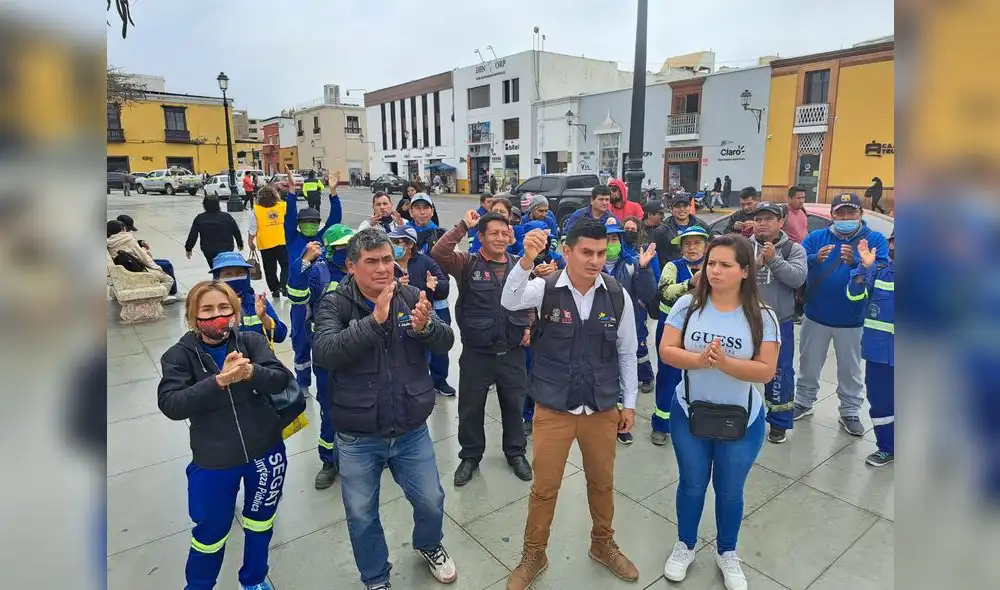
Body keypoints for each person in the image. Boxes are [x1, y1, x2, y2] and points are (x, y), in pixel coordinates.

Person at [311, 228, 457, 590]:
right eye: (371, 261)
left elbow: (446, 341)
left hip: (410, 429)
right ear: (350, 266)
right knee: (361, 515)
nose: (382, 268)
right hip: (358, 436)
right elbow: (326, 352)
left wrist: (425, 329)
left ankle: (428, 544)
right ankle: (376, 577)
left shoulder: (409, 295)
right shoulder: (335, 304)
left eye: (388, 259)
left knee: (431, 500)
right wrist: (374, 321)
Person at [500, 218, 640, 589]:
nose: (595, 260)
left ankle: (602, 543)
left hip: (601, 407)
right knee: (544, 487)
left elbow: (627, 352)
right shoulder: (544, 288)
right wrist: (526, 260)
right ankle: (534, 553)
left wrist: (630, 404)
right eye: (587, 252)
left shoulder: (615, 294)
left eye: (601, 252)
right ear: (567, 251)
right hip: (553, 407)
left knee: (602, 482)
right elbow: (509, 299)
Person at [658, 234, 779, 590]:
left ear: (745, 271)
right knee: (692, 484)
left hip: (742, 419)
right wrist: (698, 360)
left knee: (729, 491)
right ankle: (685, 545)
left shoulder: (762, 315)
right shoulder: (687, 306)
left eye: (725, 265)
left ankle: (728, 553)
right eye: (712, 263)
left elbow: (765, 370)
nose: (715, 271)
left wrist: (724, 363)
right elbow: (666, 350)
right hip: (689, 412)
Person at [157, 280, 294, 590]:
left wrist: (251, 373)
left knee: (261, 523)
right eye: (207, 310)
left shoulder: (251, 341)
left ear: (234, 311)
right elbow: (171, 403)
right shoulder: (179, 356)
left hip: (265, 452)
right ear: (193, 317)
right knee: (210, 533)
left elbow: (281, 379)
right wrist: (218, 381)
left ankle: (254, 580)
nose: (217, 316)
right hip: (214, 462)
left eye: (224, 308)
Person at [432, 210, 534, 485]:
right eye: (494, 233)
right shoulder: (467, 263)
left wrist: (528, 326)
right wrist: (463, 224)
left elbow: (529, 301)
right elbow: (439, 253)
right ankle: (470, 456)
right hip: (477, 353)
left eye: (505, 233)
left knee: (514, 405)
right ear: (481, 237)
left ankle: (516, 452)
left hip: (512, 351)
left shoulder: (520, 265)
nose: (501, 238)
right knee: (471, 407)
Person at [793, 192, 889, 436]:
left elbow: (883, 270)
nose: (846, 217)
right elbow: (798, 264)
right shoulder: (816, 237)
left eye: (851, 212)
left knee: (850, 369)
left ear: (860, 214)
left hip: (853, 319)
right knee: (809, 364)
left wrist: (856, 261)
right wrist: (815, 259)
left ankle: (849, 411)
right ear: (832, 215)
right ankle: (804, 401)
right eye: (840, 213)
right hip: (815, 315)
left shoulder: (874, 239)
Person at [289, 224, 356, 490]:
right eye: (343, 247)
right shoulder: (319, 272)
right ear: (330, 250)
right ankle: (329, 461)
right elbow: (296, 296)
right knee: (330, 406)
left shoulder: (357, 269)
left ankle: (367, 454)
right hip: (327, 349)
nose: (348, 251)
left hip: (357, 346)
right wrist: (302, 263)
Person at [748, 203, 807, 444]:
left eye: (768, 219)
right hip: (744, 319)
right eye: (758, 219)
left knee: (780, 373)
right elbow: (731, 274)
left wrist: (774, 260)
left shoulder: (794, 249)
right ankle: (739, 415)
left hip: (778, 322)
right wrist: (756, 264)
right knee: (736, 368)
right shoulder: (743, 246)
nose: (762, 223)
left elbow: (797, 278)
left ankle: (779, 423)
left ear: (781, 222)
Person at [282, 171, 343, 396]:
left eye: (313, 222)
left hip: (320, 301)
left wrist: (333, 193)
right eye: (305, 223)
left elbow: (335, 219)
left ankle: (324, 377)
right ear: (299, 225)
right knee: (299, 339)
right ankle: (303, 381)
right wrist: (291, 192)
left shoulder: (322, 238)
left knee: (320, 338)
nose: (309, 225)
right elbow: (288, 217)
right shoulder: (293, 238)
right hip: (299, 301)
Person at [600, 217, 657, 444]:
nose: (610, 243)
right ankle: (604, 418)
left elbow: (648, 294)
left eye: (614, 239)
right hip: (599, 331)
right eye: (606, 239)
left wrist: (644, 269)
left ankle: (622, 424)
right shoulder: (592, 265)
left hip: (628, 328)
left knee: (626, 373)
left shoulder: (633, 263)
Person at [650, 226, 710, 445]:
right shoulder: (672, 267)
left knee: (699, 376)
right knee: (668, 374)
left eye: (696, 243)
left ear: (706, 246)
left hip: (702, 328)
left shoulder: (713, 268)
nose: (691, 248)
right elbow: (665, 293)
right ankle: (661, 423)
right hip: (671, 328)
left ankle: (694, 421)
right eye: (687, 243)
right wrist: (689, 284)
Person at [849, 233, 894, 466]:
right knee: (881, 402)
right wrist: (863, 267)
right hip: (879, 355)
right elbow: (854, 296)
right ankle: (887, 447)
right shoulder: (878, 272)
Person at [406, 193, 454, 396]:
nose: (422, 212)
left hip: (438, 299)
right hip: (410, 298)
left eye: (426, 207)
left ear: (432, 211)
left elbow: (452, 260)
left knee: (440, 340)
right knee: (410, 341)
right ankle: (416, 380)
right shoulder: (403, 234)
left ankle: (439, 379)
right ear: (410, 211)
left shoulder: (442, 234)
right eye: (417, 207)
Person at [208, 251, 288, 343]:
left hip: (260, 356)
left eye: (239, 273)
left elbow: (280, 336)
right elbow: (211, 341)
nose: (235, 278)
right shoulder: (210, 306)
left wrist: (264, 318)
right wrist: (232, 317)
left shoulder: (258, 301)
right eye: (228, 274)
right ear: (217, 278)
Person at [621, 215, 660, 394]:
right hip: (617, 307)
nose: (629, 233)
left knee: (639, 342)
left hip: (637, 307)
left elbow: (655, 278)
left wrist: (643, 300)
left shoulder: (644, 252)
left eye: (632, 230)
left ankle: (646, 377)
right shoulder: (616, 251)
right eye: (626, 229)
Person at [107, 219, 177, 300]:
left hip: (123, 271)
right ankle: (160, 298)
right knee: (168, 279)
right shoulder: (127, 239)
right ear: (122, 229)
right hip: (134, 271)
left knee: (165, 263)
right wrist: (157, 268)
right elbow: (144, 258)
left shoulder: (109, 241)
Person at [249, 185, 289, 300]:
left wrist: (250, 241)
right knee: (286, 265)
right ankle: (284, 285)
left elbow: (253, 228)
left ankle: (275, 289)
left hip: (265, 244)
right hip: (281, 241)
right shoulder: (282, 206)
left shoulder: (256, 210)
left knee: (270, 269)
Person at [184, 196, 244, 269]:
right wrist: (240, 243)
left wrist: (188, 248)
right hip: (226, 247)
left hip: (208, 249)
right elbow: (235, 230)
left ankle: (217, 278)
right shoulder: (226, 216)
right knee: (225, 268)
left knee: (214, 268)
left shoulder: (200, 218)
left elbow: (193, 235)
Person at [651, 195, 708, 268]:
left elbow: (712, 247)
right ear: (671, 209)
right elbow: (655, 257)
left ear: (689, 207)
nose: (682, 209)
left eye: (685, 206)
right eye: (678, 206)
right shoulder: (661, 231)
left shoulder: (701, 225)